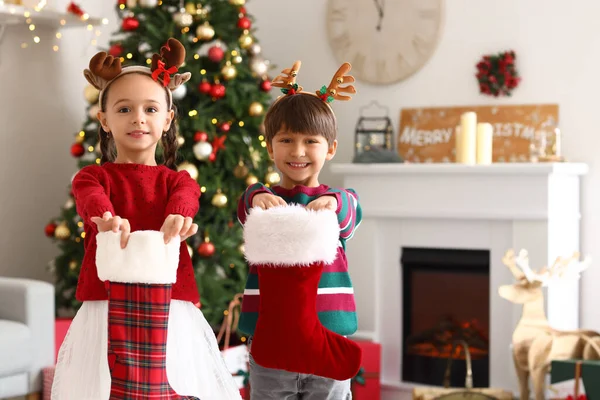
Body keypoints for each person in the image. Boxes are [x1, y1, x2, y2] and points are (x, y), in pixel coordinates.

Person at [51, 38, 241, 400]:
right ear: (104, 120)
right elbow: (89, 196)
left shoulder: (177, 181)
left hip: (169, 302)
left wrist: (179, 215)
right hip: (107, 302)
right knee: (102, 382)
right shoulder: (95, 176)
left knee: (173, 373)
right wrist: (105, 218)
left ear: (168, 120)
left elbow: (188, 197)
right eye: (124, 110)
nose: (138, 118)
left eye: (150, 109)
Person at [237, 60, 363, 400]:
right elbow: (245, 205)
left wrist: (334, 203)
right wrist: (258, 194)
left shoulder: (339, 202)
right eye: (286, 140)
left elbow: (353, 210)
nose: (297, 151)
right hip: (270, 340)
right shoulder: (263, 200)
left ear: (331, 148)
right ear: (269, 145)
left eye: (311, 141)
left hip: (328, 335)